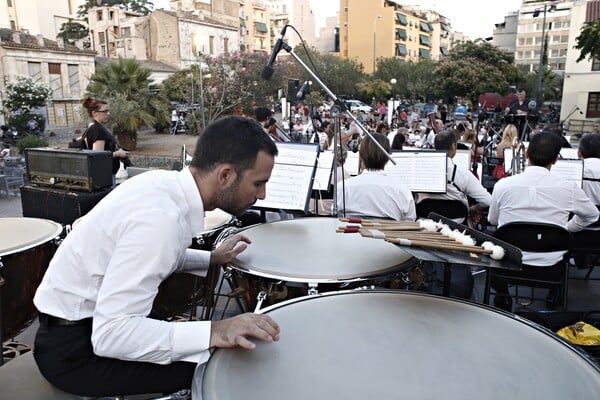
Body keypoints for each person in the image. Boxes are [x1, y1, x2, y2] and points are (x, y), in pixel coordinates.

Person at [32, 116, 281, 398]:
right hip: (76, 352)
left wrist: (211, 258)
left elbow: (153, 254)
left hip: (85, 325)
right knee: (218, 368)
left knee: (205, 346)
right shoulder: (160, 220)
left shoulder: (161, 185)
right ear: (225, 175)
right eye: (258, 183)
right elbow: (112, 336)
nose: (262, 195)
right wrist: (215, 330)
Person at [488, 131, 599, 311]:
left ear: (526, 154)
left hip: (509, 263)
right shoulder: (569, 188)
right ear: (555, 160)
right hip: (551, 264)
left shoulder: (503, 185)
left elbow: (492, 220)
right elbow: (592, 215)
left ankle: (503, 295)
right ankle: (553, 296)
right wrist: (566, 229)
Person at [337, 133, 415, 221]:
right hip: (388, 234)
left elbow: (337, 219)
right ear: (387, 158)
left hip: (351, 234)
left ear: (361, 156)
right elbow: (410, 222)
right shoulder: (402, 190)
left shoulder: (343, 187)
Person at [82, 97, 130, 177]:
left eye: (108, 111)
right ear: (94, 113)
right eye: (105, 111)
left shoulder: (94, 127)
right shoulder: (98, 130)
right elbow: (98, 156)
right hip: (104, 176)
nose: (108, 114)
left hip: (104, 174)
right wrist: (118, 153)